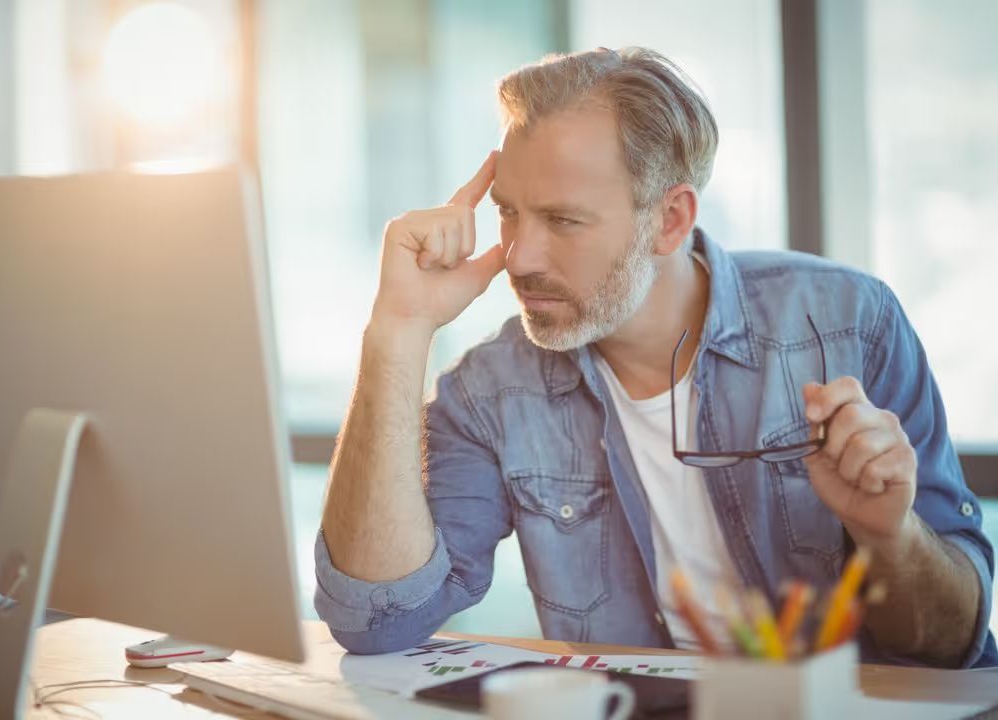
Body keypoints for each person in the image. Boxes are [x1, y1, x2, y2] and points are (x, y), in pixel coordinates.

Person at [314, 47, 996, 667]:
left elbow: (953, 645)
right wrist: (398, 332)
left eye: (563, 220)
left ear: (670, 220)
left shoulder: (849, 324)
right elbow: (378, 621)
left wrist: (889, 535)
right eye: (509, 213)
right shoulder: (489, 392)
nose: (517, 256)